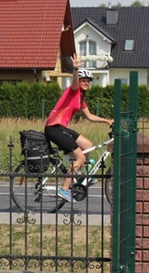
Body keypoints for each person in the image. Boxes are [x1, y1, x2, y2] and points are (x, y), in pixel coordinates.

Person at [44, 53, 113, 202]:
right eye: (84, 80)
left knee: (87, 145)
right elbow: (75, 82)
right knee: (80, 157)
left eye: (88, 81)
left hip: (61, 127)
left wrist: (107, 121)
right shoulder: (73, 90)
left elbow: (90, 116)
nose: (87, 83)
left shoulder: (80, 98)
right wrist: (75, 69)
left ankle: (80, 175)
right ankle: (64, 189)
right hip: (53, 127)